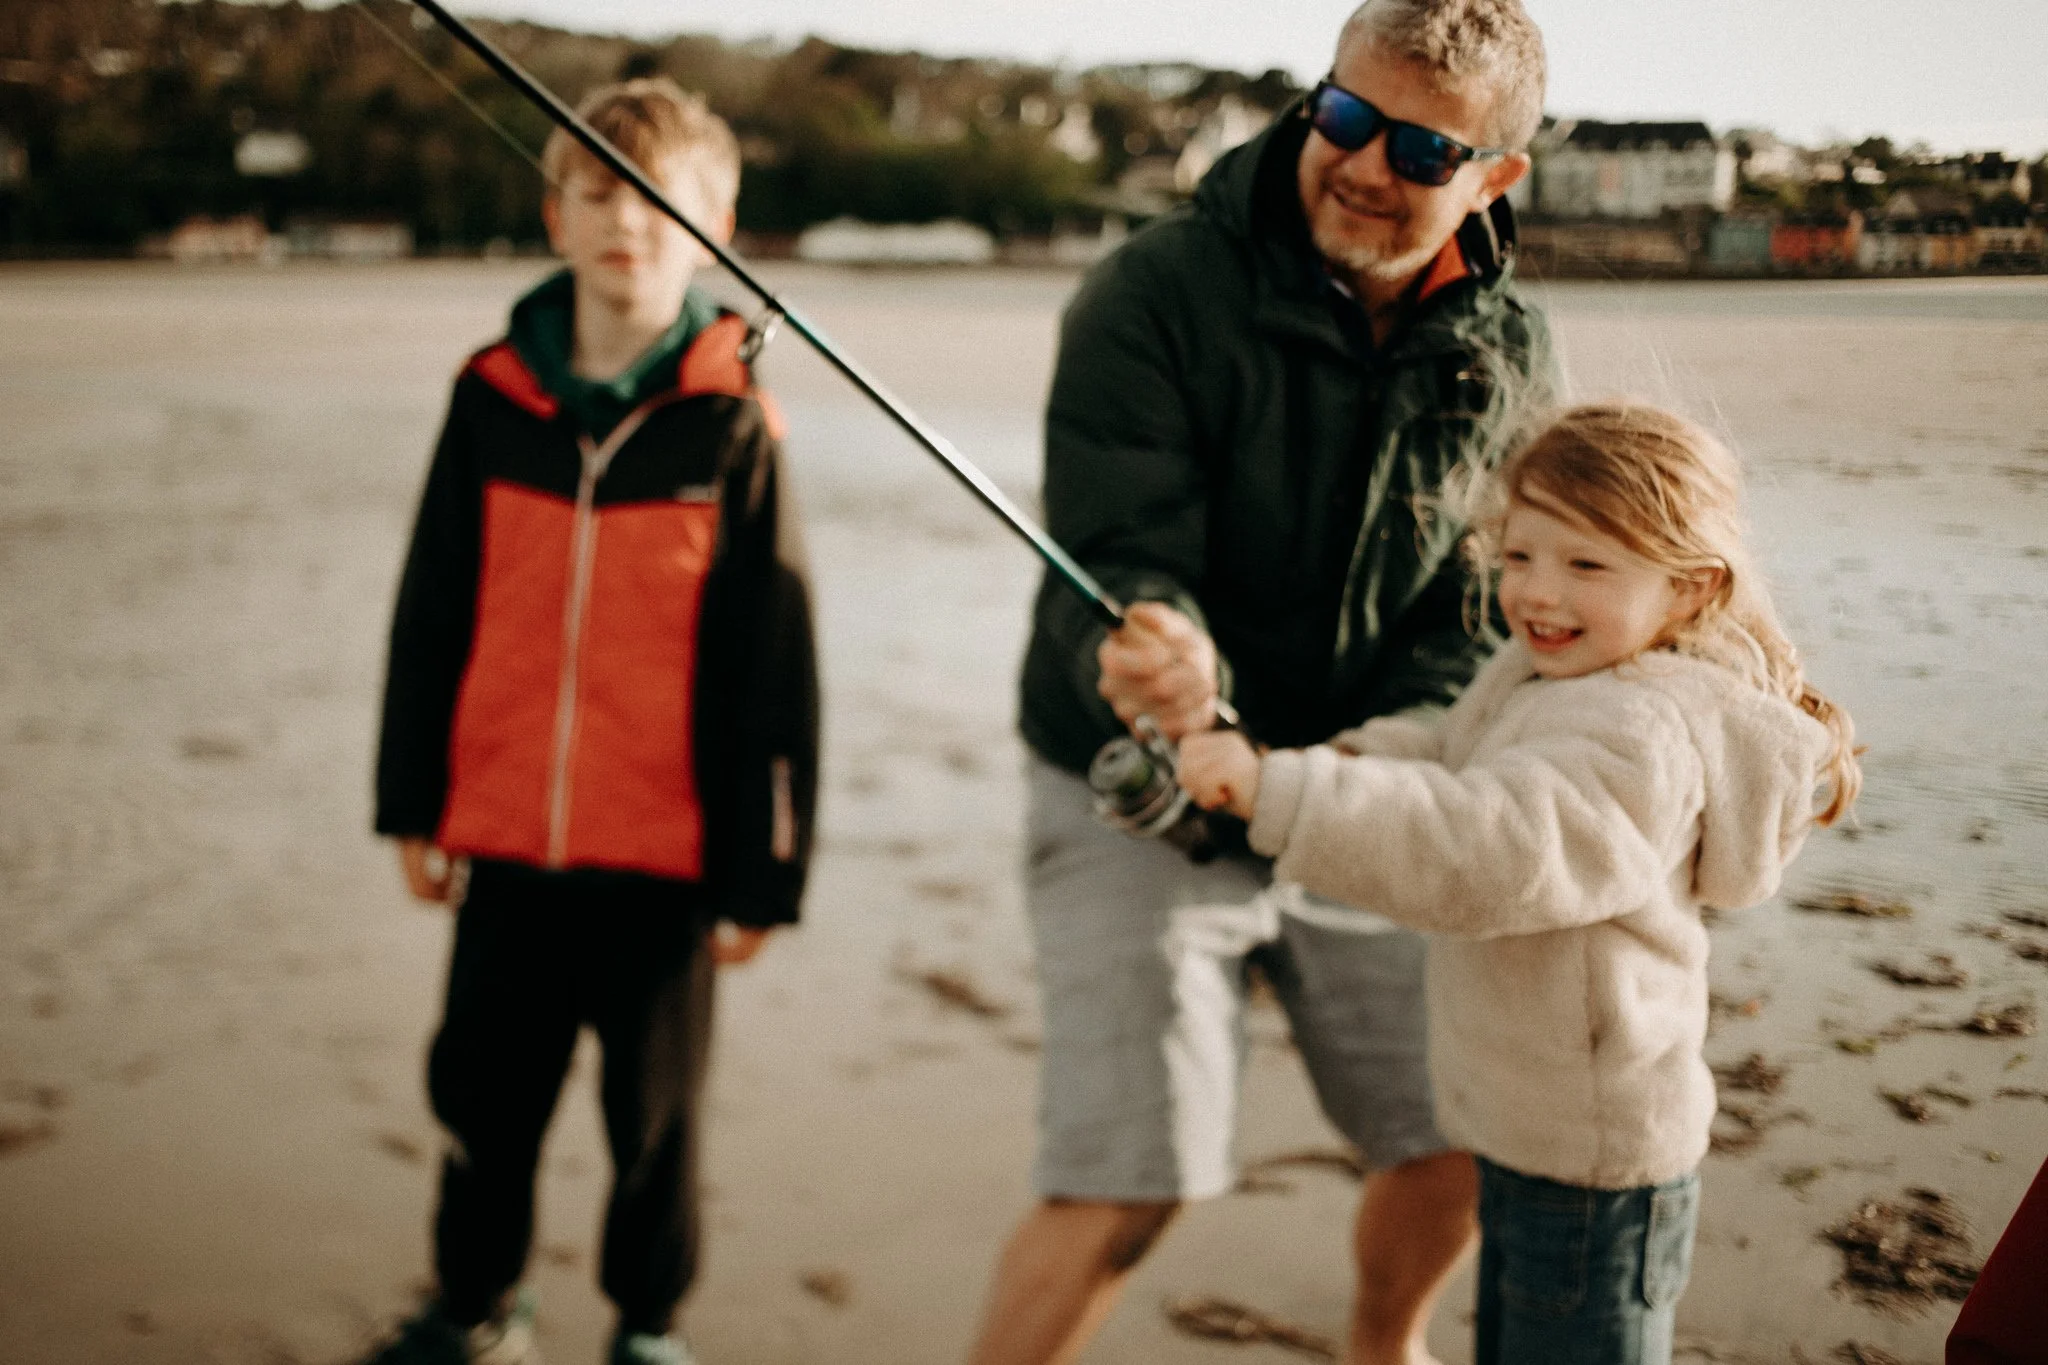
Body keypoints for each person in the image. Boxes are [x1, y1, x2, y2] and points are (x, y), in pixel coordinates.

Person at [980, 3, 1553, 1362]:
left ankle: (1381, 1343)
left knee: (1459, 1132)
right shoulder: (1151, 290)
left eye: (1419, 149)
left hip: (1361, 784)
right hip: (1141, 789)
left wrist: (1353, 769)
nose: (1359, 164)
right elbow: (1120, 548)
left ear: (1494, 179)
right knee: (1133, 1175)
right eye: (1342, 117)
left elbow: (1487, 606)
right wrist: (1158, 647)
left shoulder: (1514, 350)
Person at [1179, 403, 1861, 1364]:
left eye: (1587, 565)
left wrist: (1285, 794)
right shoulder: (1557, 677)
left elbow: (1487, 853)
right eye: (1519, 557)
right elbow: (1460, 759)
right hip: (1525, 1131)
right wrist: (1338, 758)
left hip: (1594, 1163)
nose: (1540, 593)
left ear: (1689, 589)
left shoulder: (1638, 733)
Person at [365, 78, 818, 1365]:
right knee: (483, 1103)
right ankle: (474, 1304)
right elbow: (429, 611)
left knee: (656, 1123)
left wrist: (763, 873)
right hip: (507, 840)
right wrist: (414, 800)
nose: (630, 224)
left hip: (667, 864)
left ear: (717, 221)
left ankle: (648, 1326)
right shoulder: (489, 394)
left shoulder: (732, 418)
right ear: (553, 212)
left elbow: (774, 670)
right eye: (599, 194)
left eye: (664, 201)